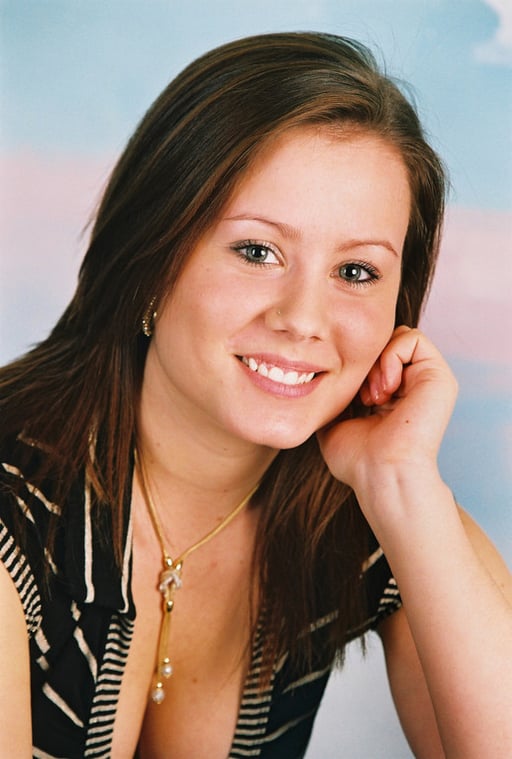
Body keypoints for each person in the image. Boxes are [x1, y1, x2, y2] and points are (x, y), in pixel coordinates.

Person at [0, 31, 511, 759]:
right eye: (257, 251)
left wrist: (401, 483)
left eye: (357, 272)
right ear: (151, 259)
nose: (303, 318)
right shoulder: (14, 512)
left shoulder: (371, 505)